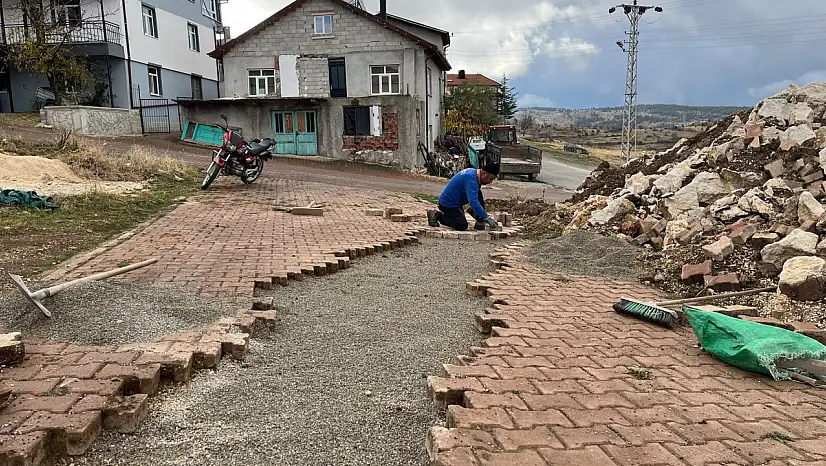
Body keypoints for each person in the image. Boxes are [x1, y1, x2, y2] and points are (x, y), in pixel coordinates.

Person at [427, 163, 499, 231]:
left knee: (478, 193)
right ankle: (436, 215)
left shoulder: (473, 173)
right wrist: (486, 217)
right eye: (491, 179)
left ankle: (479, 219)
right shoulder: (471, 179)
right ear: (484, 173)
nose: (490, 182)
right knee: (461, 225)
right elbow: (473, 201)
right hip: (448, 204)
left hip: (455, 201)